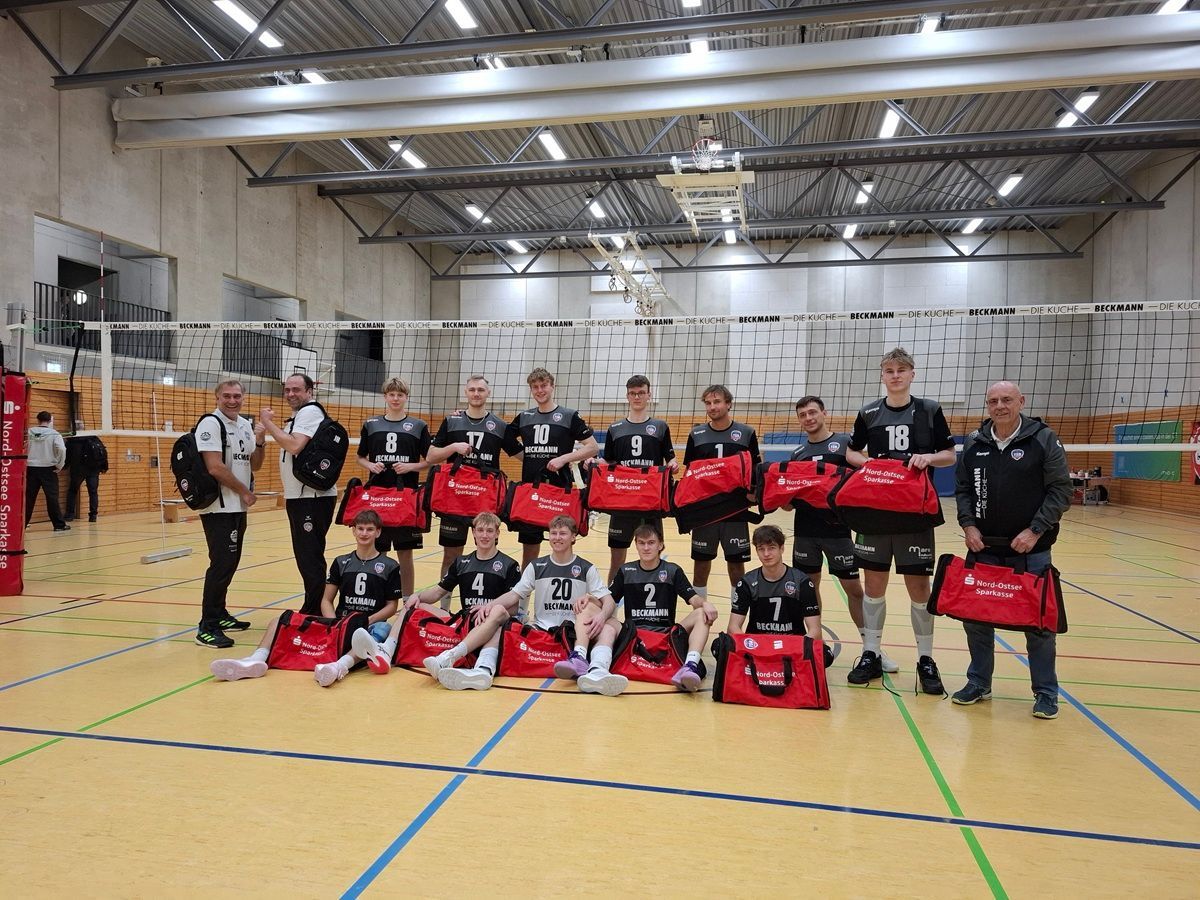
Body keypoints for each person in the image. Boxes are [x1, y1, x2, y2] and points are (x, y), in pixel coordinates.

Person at [952, 380, 1072, 719]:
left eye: (1006, 399)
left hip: (1031, 550)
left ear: (1021, 401)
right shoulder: (975, 441)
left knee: (1039, 624)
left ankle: (1046, 693)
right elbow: (963, 489)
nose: (1000, 406)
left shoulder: (1042, 438)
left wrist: (1035, 530)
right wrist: (968, 525)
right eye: (993, 401)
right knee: (976, 619)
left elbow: (1061, 490)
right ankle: (979, 682)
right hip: (984, 547)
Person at [844, 348, 956, 694]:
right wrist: (866, 464)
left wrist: (928, 458)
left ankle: (926, 659)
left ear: (912, 374)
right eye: (889, 370)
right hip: (875, 512)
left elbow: (950, 455)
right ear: (883, 376)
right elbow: (850, 451)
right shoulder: (869, 412)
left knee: (919, 589)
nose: (895, 376)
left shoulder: (929, 410)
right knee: (873, 585)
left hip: (914, 513)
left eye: (901, 370)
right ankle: (871, 653)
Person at [208, 510, 400, 687]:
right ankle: (256, 660)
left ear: (378, 532)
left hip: (368, 625)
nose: (364, 533)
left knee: (383, 629)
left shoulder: (390, 566)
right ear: (354, 531)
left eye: (369, 529)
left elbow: (392, 606)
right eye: (360, 528)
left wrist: (368, 620)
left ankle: (339, 666)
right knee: (278, 621)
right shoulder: (342, 562)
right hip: (338, 622)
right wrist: (334, 622)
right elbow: (326, 600)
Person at [356, 511, 522, 691]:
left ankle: (462, 660)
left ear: (497, 534)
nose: (484, 535)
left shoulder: (509, 565)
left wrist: (488, 608)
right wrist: (417, 596)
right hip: (465, 620)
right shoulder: (462, 562)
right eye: (480, 530)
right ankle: (387, 651)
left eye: (489, 531)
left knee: (499, 612)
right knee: (412, 605)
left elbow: (513, 608)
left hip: (491, 621)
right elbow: (438, 592)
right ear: (473, 532)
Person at [791, 396, 897, 674]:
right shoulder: (798, 454)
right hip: (805, 531)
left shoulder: (844, 445)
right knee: (808, 589)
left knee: (854, 589)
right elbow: (789, 501)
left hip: (838, 531)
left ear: (824, 413)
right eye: (802, 415)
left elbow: (864, 479)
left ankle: (872, 649)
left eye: (812, 412)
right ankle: (815, 645)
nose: (808, 418)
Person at [497, 515, 619, 695]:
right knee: (501, 626)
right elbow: (514, 595)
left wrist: (601, 616)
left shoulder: (586, 568)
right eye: (553, 533)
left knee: (606, 625)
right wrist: (489, 606)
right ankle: (484, 667)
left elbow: (609, 601)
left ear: (573, 537)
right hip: (542, 630)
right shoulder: (536, 566)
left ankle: (596, 671)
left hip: (574, 632)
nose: (557, 537)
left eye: (563, 533)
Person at [598, 523, 718, 692]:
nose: (646, 548)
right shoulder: (626, 571)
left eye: (651, 543)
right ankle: (599, 667)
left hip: (665, 635)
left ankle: (690, 666)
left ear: (660, 545)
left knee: (701, 614)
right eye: (641, 543)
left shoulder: (672, 570)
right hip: (633, 634)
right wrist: (589, 600)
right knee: (607, 620)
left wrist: (705, 603)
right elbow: (608, 599)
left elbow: (693, 598)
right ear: (636, 544)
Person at [258, 373, 337, 616]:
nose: (291, 394)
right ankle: (316, 606)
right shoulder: (299, 415)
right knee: (306, 555)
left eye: (296, 389)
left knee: (309, 556)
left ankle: (314, 609)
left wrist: (267, 423)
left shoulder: (310, 412)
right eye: (287, 390)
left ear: (309, 391)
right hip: (300, 497)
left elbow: (294, 445)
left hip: (311, 498)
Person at [195, 380, 266, 649]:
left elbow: (254, 465)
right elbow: (214, 467)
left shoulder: (245, 425)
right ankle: (207, 626)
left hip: (237, 507)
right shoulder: (210, 424)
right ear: (217, 397)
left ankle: (220, 613)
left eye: (237, 396)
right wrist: (244, 492)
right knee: (221, 564)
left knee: (231, 562)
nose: (232, 400)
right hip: (219, 507)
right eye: (227, 396)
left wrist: (260, 441)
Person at [504, 368, 599, 567]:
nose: (540, 390)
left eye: (544, 385)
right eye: (535, 387)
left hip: (559, 491)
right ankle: (527, 588)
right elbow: (504, 438)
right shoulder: (524, 417)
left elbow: (592, 447)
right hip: (531, 492)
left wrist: (564, 459)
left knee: (561, 544)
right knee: (529, 552)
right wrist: (529, 459)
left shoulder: (569, 416)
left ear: (552, 386)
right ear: (531, 390)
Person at [683, 384, 761, 611]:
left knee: (736, 567)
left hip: (736, 510)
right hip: (705, 512)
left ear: (728, 404)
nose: (712, 407)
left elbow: (755, 469)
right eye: (708, 403)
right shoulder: (696, 434)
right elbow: (691, 473)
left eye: (717, 402)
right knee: (701, 565)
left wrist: (755, 492)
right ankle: (699, 616)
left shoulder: (746, 433)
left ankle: (737, 616)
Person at [426, 375, 511, 581]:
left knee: (487, 554)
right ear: (465, 393)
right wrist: (454, 447)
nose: (476, 394)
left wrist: (560, 459)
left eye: (480, 390)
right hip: (455, 499)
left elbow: (521, 454)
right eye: (472, 390)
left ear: (488, 393)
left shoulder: (500, 425)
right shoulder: (452, 421)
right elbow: (430, 456)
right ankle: (445, 601)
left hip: (484, 500)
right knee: (451, 556)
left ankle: (485, 598)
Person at [596, 375, 677, 582]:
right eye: (633, 393)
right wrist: (594, 464)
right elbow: (608, 462)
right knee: (617, 560)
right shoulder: (615, 428)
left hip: (651, 502)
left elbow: (670, 459)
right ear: (627, 396)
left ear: (649, 395)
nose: (637, 397)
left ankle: (655, 596)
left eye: (641, 393)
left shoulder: (660, 427)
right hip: (622, 502)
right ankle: (612, 600)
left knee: (653, 558)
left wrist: (673, 464)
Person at [357, 377, 430, 597]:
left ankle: (407, 602)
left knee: (405, 554)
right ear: (385, 397)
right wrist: (371, 465)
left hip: (406, 498)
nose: (395, 398)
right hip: (378, 498)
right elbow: (360, 457)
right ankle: (379, 599)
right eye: (391, 394)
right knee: (377, 553)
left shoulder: (418, 426)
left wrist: (410, 467)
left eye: (400, 395)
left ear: (406, 397)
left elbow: (430, 460)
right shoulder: (371, 424)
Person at [726, 525, 822, 641]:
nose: (766, 554)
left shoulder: (802, 582)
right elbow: (733, 627)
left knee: (823, 649)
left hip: (792, 644)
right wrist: (750, 643)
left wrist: (795, 646)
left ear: (782, 549)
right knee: (722, 644)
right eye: (761, 549)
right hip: (757, 644)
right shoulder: (747, 582)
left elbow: (815, 631)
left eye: (771, 548)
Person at [25, 410, 69, 532]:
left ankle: (22, 524)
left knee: (28, 498)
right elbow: (62, 449)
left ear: (37, 419)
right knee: (52, 498)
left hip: (31, 468)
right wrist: (60, 465)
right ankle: (59, 525)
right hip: (48, 469)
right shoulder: (54, 434)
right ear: (50, 421)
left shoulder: (29, 432)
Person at [65, 434, 108, 523]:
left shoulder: (72, 440)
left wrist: (64, 466)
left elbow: (67, 456)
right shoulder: (94, 438)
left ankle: (70, 515)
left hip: (78, 470)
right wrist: (104, 467)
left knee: (72, 491)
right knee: (93, 493)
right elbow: (102, 452)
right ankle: (93, 515)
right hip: (93, 469)